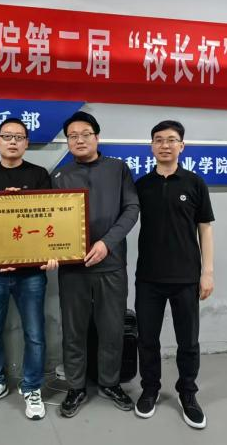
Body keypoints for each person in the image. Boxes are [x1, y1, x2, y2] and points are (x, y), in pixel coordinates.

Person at [51, 111, 140, 418]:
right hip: (73, 269)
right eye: (72, 136)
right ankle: (76, 387)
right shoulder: (59, 176)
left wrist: (106, 243)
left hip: (111, 265)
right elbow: (49, 220)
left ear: (97, 137)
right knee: (74, 330)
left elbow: (131, 208)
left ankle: (110, 383)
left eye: (85, 134)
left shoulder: (118, 169)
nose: (79, 140)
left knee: (112, 329)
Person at [0, 118, 58, 420]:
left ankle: (32, 386)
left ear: (26, 143)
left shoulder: (39, 175)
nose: (12, 141)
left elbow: (47, 219)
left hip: (31, 272)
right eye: (7, 136)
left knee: (34, 332)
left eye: (19, 137)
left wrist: (49, 254)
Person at [134, 120, 214, 429]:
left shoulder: (194, 183)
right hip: (149, 277)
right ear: (151, 146)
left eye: (171, 140)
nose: (164, 145)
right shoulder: (141, 185)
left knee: (188, 341)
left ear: (182, 146)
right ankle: (150, 389)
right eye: (158, 140)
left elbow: (205, 229)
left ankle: (187, 393)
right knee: (147, 339)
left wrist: (207, 272)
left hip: (186, 277)